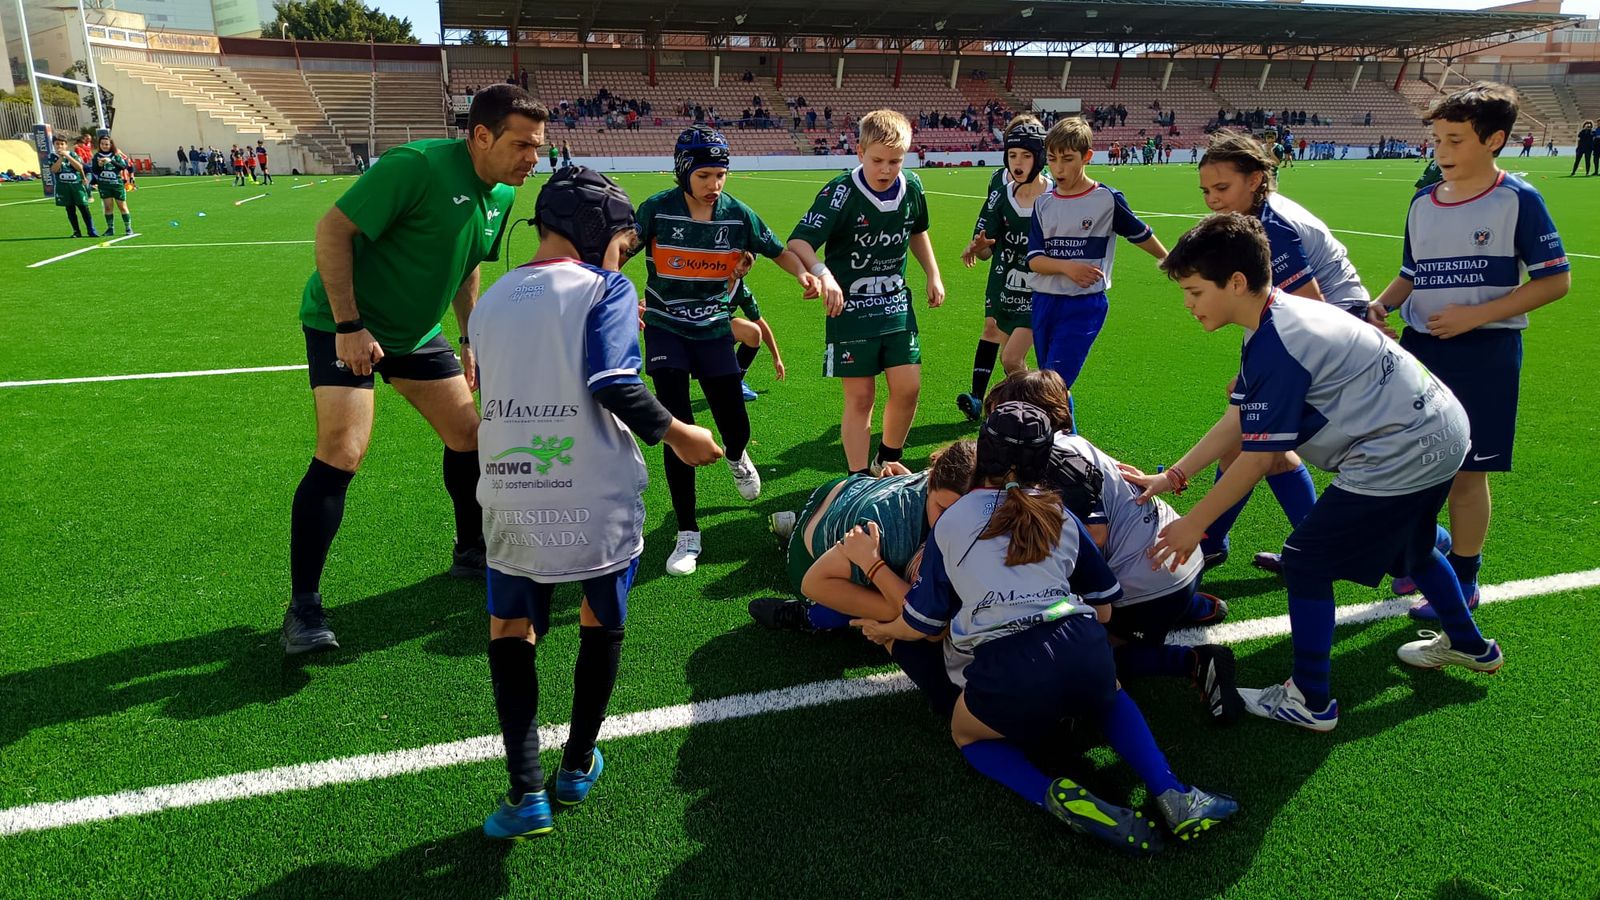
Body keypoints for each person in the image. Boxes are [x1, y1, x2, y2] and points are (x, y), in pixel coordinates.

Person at [1137, 212, 1502, 733]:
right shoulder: (1277, 316)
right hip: (1443, 428)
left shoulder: (1278, 340)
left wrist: (1193, 525)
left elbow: (1259, 458)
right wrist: (1172, 476)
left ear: (1236, 283)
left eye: (1194, 292)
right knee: (1413, 547)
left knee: (1306, 562)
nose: (1188, 304)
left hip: (1402, 448)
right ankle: (1470, 646)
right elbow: (1239, 418)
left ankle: (1309, 698)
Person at [857, 402, 1238, 853]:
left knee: (965, 734)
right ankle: (1173, 793)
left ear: (983, 454)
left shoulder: (952, 520)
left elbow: (922, 621)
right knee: (1109, 695)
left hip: (1009, 669)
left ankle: (1052, 795)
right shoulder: (1060, 512)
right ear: (1044, 461)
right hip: (1081, 645)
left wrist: (885, 631)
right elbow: (1104, 611)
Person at [472, 166, 723, 841]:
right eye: (620, 244)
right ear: (593, 231)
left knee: (510, 629)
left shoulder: (490, 299)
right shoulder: (605, 288)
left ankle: (525, 791)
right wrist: (681, 434)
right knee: (601, 618)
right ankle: (577, 763)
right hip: (593, 489)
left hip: (510, 486)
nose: (622, 258)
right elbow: (612, 381)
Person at [282, 84, 549, 655]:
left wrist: (470, 337)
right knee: (343, 450)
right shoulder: (417, 166)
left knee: (468, 435)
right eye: (523, 145)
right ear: (482, 136)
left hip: (416, 332)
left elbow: (468, 263)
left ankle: (470, 550)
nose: (534, 158)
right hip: (345, 322)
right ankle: (304, 606)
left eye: (538, 147)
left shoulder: (502, 193)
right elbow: (333, 230)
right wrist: (349, 325)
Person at [1369, 82, 1569, 621]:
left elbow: (1556, 281)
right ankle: (1419, 557)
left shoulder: (1518, 200)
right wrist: (1381, 305)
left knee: (1466, 472)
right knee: (1415, 464)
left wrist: (1476, 315)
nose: (1442, 150)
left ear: (1494, 139)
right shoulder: (1423, 200)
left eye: (1455, 140)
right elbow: (1412, 273)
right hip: (1420, 353)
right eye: (1437, 139)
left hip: (1486, 353)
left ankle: (1464, 576)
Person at [982, 370, 1240, 725]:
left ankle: (1195, 660)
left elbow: (1095, 536)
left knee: (1089, 659)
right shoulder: (1073, 443)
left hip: (1152, 584)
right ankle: (1194, 606)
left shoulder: (1052, 457)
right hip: (1178, 561)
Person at [628, 126, 822, 576]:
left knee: (735, 425)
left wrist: (802, 274)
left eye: (720, 174)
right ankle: (687, 532)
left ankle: (736, 456)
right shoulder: (657, 209)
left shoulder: (737, 215)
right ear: (683, 173)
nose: (714, 184)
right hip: (665, 328)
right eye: (704, 175)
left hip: (714, 329)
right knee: (677, 428)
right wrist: (614, 291)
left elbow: (777, 251)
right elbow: (620, 252)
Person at [1188, 129, 1367, 572]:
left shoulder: (1273, 227)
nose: (1212, 199)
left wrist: (1267, 374)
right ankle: (1221, 541)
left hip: (1330, 326)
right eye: (1206, 191)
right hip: (1308, 324)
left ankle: (1214, 540)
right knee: (1259, 435)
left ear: (1255, 180)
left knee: (1258, 434)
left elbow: (1311, 309)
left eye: (1222, 187)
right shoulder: (1256, 217)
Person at [788, 109, 945, 476]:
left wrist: (933, 274)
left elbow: (917, 230)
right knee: (861, 397)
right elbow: (799, 241)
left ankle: (885, 460)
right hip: (851, 310)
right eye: (877, 160)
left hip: (895, 304)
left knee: (908, 388)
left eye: (895, 161)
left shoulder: (913, 186)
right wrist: (824, 275)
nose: (886, 169)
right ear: (860, 152)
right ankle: (857, 478)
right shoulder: (841, 191)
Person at [747, 442, 975, 635]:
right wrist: (874, 566)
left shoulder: (945, 479)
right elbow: (813, 584)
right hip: (807, 560)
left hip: (845, 492)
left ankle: (799, 523)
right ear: (932, 479)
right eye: (943, 510)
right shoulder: (888, 532)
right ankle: (808, 616)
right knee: (906, 608)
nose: (952, 525)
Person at [1026, 117, 1166, 422]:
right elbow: (1034, 260)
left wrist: (1169, 259)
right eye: (1052, 159)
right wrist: (1069, 268)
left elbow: (1139, 233)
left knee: (1052, 384)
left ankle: (1064, 445)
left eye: (1067, 159)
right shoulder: (1043, 203)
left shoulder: (1106, 198)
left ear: (1087, 156)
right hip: (1044, 301)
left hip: (1083, 305)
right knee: (1052, 385)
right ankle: (1064, 442)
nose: (1058, 168)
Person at [956, 119, 1049, 421]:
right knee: (996, 337)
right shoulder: (999, 182)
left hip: (1036, 281)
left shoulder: (1050, 191)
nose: (1018, 161)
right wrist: (979, 246)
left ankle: (1040, 409)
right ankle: (983, 400)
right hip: (1004, 274)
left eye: (1026, 153)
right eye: (1012, 152)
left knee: (1011, 357)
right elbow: (987, 240)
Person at [727, 282, 782, 401]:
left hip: (717, 328)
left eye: (745, 271)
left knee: (752, 332)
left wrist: (776, 357)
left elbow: (758, 320)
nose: (741, 271)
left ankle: (735, 382)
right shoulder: (708, 279)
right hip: (693, 326)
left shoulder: (741, 289)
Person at [49, 136, 97, 238]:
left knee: (84, 207)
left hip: (77, 185)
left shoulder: (73, 154)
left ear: (66, 145)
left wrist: (67, 156)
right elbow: (54, 170)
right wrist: (61, 158)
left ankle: (91, 230)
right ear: (54, 145)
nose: (59, 146)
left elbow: (80, 167)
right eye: (57, 144)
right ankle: (76, 231)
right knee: (70, 209)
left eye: (62, 144)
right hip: (63, 187)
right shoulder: (52, 156)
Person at [90, 135, 135, 236]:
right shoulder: (97, 156)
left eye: (107, 144)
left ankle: (128, 228)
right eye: (102, 144)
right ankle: (110, 229)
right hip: (104, 185)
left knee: (122, 206)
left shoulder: (115, 155)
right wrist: (100, 165)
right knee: (108, 207)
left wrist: (111, 161)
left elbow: (123, 166)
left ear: (111, 145)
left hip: (117, 185)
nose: (104, 146)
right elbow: (95, 170)